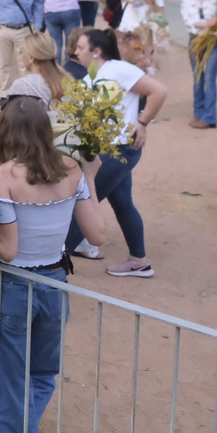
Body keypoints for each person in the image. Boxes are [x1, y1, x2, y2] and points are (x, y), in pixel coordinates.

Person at [0, 95, 109, 433]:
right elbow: (98, 235)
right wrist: (89, 178)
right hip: (54, 284)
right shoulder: (72, 170)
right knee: (42, 376)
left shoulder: (0, 176)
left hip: (10, 287)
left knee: (9, 386)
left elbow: (8, 249)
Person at [65, 30, 167, 277]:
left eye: (80, 47)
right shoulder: (93, 77)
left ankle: (56, 260)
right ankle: (139, 260)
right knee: (122, 202)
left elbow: (159, 91)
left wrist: (142, 123)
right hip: (104, 150)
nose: (76, 52)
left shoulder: (118, 69)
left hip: (119, 149)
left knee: (86, 201)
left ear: (96, 51)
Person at [181, 0, 217, 129]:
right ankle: (198, 113)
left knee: (209, 79)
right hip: (196, 40)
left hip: (214, 40)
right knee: (198, 78)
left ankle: (209, 116)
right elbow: (189, 21)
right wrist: (207, 23)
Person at [7, 33, 70, 107]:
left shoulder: (20, 85)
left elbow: (11, 115)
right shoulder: (66, 79)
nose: (21, 57)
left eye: (22, 52)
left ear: (31, 58)